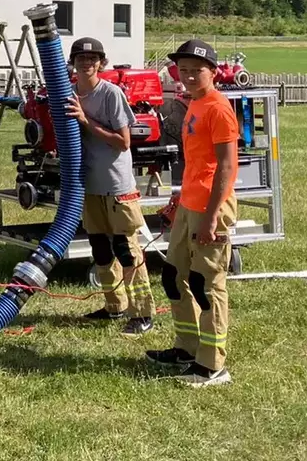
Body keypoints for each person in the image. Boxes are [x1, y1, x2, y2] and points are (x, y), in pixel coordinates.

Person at [146, 38, 238, 387]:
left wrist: (212, 217)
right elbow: (198, 163)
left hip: (211, 208)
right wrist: (179, 200)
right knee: (173, 275)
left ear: (212, 72)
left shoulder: (217, 108)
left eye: (195, 71)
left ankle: (212, 365)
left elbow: (227, 168)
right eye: (182, 70)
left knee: (205, 284)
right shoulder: (194, 104)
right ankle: (186, 348)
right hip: (189, 205)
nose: (187, 76)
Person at [65, 37, 156, 338]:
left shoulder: (110, 94)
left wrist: (86, 121)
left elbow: (123, 141)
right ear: (73, 62)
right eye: (81, 57)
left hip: (117, 185)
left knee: (126, 249)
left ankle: (143, 313)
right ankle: (114, 305)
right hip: (89, 184)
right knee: (101, 249)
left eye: (92, 58)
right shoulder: (71, 93)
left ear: (101, 63)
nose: (86, 62)